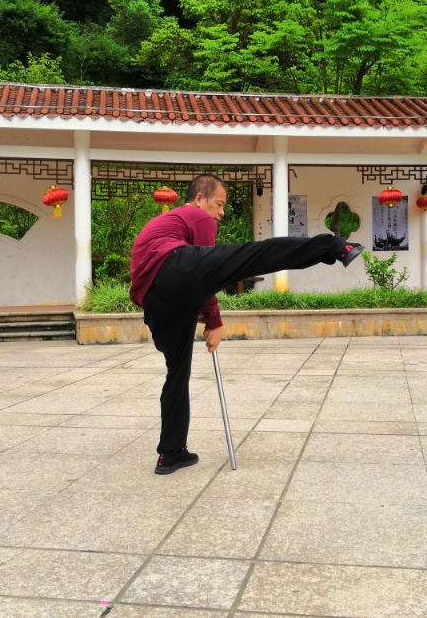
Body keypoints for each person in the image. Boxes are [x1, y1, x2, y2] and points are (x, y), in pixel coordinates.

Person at [130, 174, 364, 475]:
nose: (221, 212)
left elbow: (194, 279)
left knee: (177, 374)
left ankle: (171, 452)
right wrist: (214, 321)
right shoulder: (194, 215)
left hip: (154, 300)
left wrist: (205, 315)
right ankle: (334, 246)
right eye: (219, 204)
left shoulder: (168, 224)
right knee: (255, 255)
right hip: (174, 270)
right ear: (199, 197)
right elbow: (205, 277)